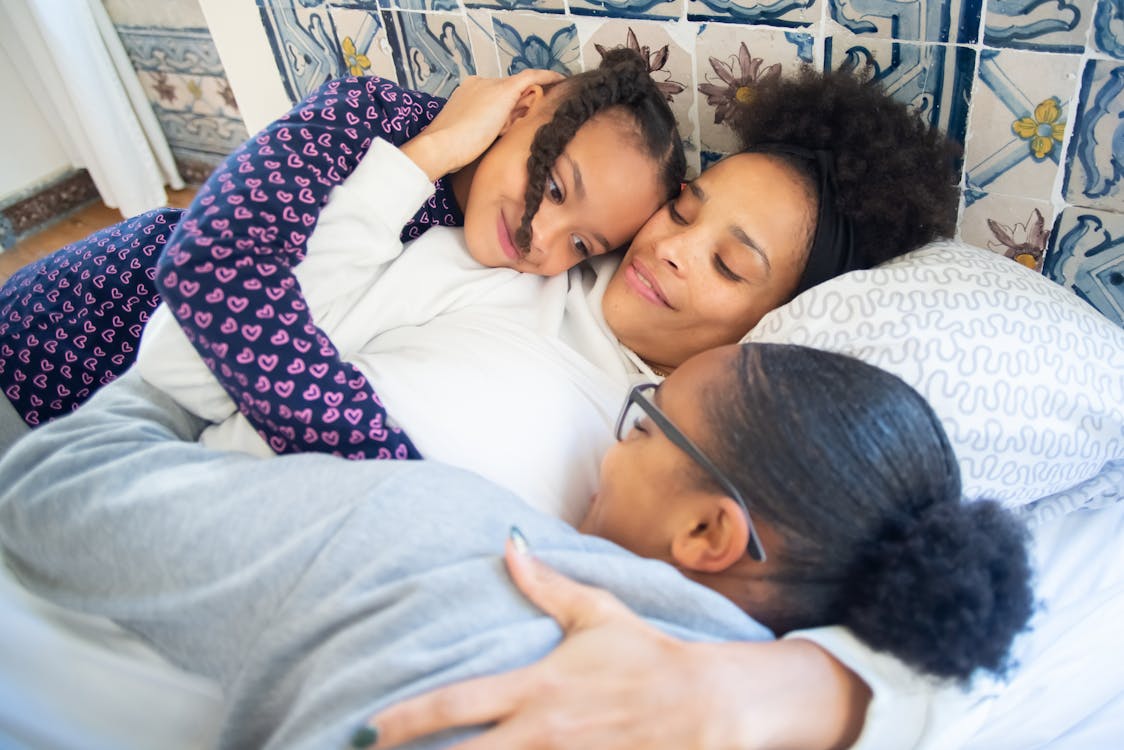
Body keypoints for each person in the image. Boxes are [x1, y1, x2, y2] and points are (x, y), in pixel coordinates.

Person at [0, 342, 1033, 750]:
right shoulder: (815, 704)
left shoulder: (459, 545)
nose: (607, 447)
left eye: (642, 422)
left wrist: (161, 376)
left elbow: (46, 491)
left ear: (709, 532)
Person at [127, 65, 958, 521]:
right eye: (681, 210)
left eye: (729, 266)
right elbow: (197, 367)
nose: (670, 250)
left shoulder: (695, 440)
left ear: (776, 321)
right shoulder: (493, 266)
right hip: (206, 514)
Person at [0, 48, 683, 430]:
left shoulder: (499, 271)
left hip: (124, 420)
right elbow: (213, 288)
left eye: (583, 246)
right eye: (557, 187)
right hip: (66, 328)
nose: (544, 238)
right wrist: (435, 150)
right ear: (521, 109)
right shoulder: (366, 120)